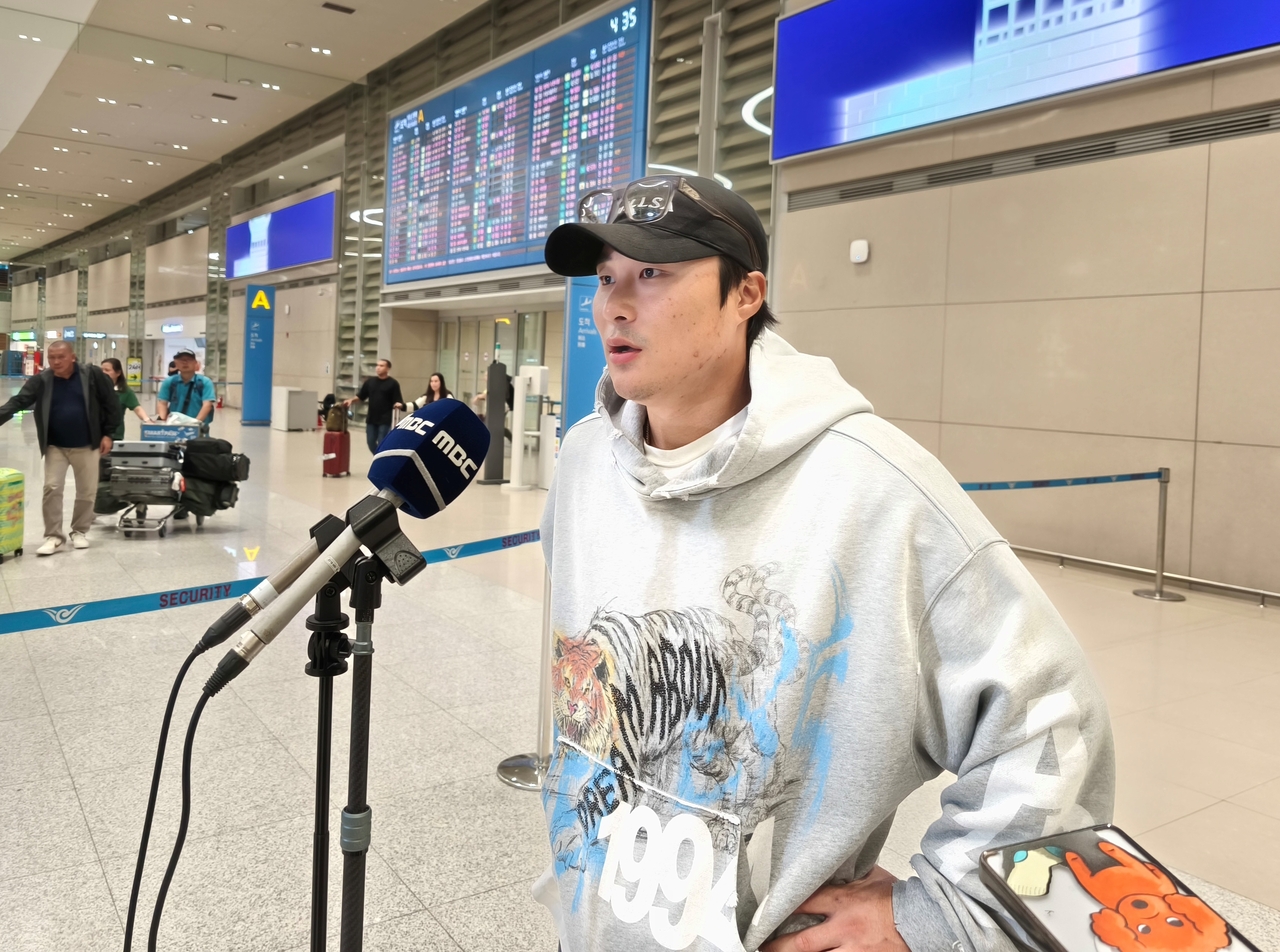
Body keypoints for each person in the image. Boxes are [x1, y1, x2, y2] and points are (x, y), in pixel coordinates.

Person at [535, 175, 1114, 952]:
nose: (615, 304)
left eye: (655, 273)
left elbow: (1053, 722)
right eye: (606, 278)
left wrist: (938, 916)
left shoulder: (874, 486)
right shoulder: (582, 461)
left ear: (747, 295)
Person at [0, 340, 121, 554]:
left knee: (86, 491)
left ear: (72, 356)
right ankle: (53, 536)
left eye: (61, 357)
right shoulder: (42, 380)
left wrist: (108, 434)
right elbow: (19, 401)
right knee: (52, 488)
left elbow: (111, 404)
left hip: (87, 443)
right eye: (51, 358)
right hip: (56, 444)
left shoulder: (91, 376)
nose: (56, 362)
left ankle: (79, 531)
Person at [343, 357, 404, 454]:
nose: (378, 368)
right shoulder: (370, 382)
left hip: (385, 419)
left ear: (388, 369)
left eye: (381, 366)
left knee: (381, 442)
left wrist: (399, 404)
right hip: (371, 418)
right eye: (377, 365)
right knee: (370, 442)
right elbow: (361, 396)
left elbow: (398, 399)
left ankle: (380, 461)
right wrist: (351, 400)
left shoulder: (393, 383)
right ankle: (379, 458)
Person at [157, 349, 214, 429]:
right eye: (181, 360)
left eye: (189, 359)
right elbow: (162, 403)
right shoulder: (170, 382)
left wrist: (195, 424)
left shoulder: (205, 382)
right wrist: (163, 421)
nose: (185, 362)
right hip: (173, 428)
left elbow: (207, 405)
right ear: (176, 363)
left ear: (195, 363)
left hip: (198, 428)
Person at [101, 357, 152, 440]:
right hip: (95, 435)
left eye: (107, 370)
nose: (103, 372)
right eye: (101, 370)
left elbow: (137, 408)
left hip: (114, 435)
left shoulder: (125, 391)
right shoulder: (94, 388)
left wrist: (147, 420)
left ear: (118, 373)